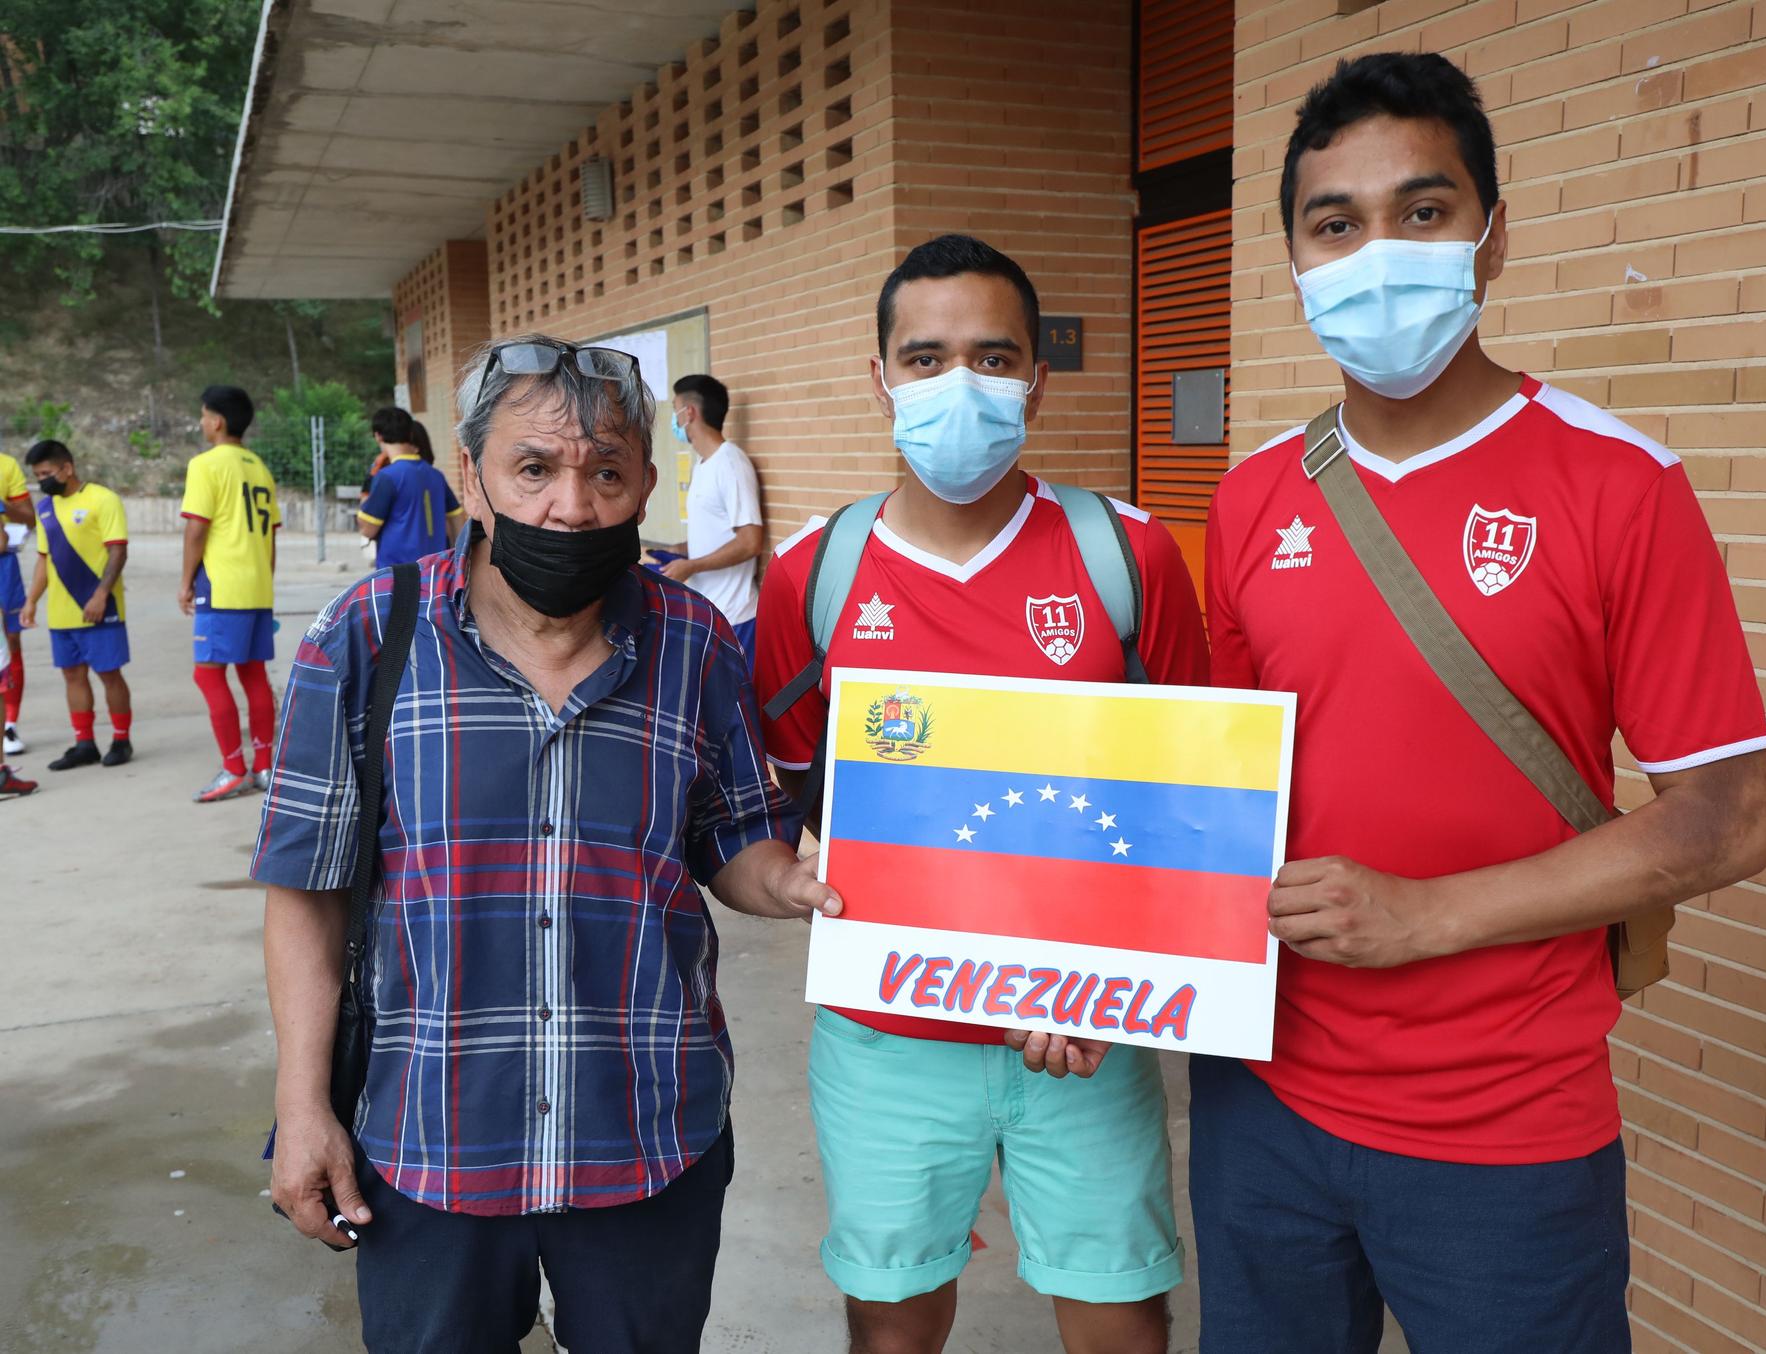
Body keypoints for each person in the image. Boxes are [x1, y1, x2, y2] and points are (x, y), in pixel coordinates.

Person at [1194, 53, 1766, 1354]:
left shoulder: (1620, 484)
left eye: (1423, 210)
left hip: (1505, 1132)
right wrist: (1088, 955)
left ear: (1493, 238)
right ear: (1295, 259)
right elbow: (1214, 788)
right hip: (1258, 1105)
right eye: (1335, 223)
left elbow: (1731, 818)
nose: (1377, 252)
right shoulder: (1251, 500)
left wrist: (1428, 914)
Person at [255, 333, 835, 1354]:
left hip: (647, 1135)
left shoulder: (693, 641)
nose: (571, 505)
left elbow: (735, 842)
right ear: (470, 478)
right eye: (534, 467)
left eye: (605, 471)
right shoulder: (366, 634)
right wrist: (303, 1105)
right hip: (431, 1142)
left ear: (647, 482)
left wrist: (791, 880)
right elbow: (308, 887)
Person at [754, 235, 1207, 1354]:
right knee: (892, 1327)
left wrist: (1115, 979)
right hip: (886, 1033)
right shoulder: (812, 576)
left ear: (1037, 378)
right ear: (879, 379)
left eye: (993, 357)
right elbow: (783, 794)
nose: (960, 385)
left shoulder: (1125, 555)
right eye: (925, 357)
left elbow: (1200, 799)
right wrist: (791, 870)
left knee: (1120, 1322)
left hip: (1084, 1034)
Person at [179, 385, 283, 803]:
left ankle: (233, 769)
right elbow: (272, 538)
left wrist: (185, 581)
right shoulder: (259, 466)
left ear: (217, 421)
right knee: (253, 672)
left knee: (207, 674)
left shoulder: (206, 465)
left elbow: (196, 528)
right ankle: (262, 765)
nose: (201, 423)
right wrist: (264, 581)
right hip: (257, 585)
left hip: (221, 587)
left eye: (203, 416)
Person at [21, 440, 132, 771]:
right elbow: (44, 559)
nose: (42, 481)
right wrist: (31, 601)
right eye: (37, 476)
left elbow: (118, 551)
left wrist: (100, 595)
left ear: (66, 468)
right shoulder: (44, 510)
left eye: (46, 473)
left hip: (100, 606)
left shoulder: (103, 499)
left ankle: (121, 739)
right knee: (72, 675)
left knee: (109, 674)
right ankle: (84, 744)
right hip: (62, 612)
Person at [661, 374, 762, 666]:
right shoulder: (704, 464)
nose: (674, 418)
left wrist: (692, 566)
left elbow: (750, 541)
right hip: (711, 613)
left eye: (675, 408)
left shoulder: (731, 463)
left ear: (689, 412)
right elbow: (716, 532)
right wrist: (682, 551)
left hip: (735, 619)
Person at [357, 406, 462, 564]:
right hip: (436, 572)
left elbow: (368, 529)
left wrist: (365, 499)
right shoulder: (436, 475)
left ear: (378, 436)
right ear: (410, 433)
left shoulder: (387, 476)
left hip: (397, 574)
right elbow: (457, 518)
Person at [0, 452, 36, 755]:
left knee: (11, 639)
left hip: (3, 565)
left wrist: (3, 507)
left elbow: (30, 518)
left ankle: (9, 725)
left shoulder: (5, 465)